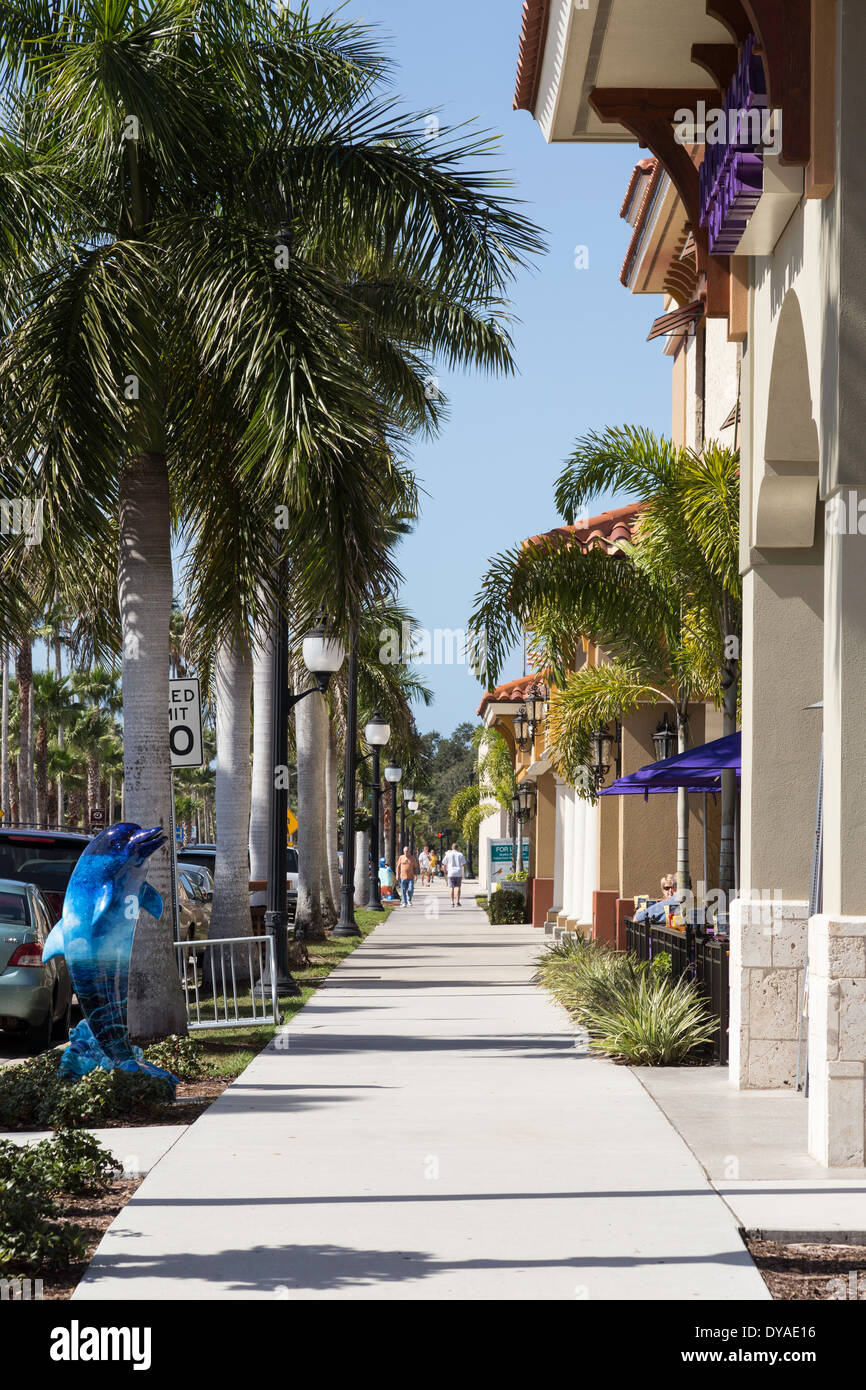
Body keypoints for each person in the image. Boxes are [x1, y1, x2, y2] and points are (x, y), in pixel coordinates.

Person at [442, 842, 466, 907]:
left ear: (452, 848)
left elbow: (444, 864)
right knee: (458, 887)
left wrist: (445, 871)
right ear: (457, 848)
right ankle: (457, 901)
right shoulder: (460, 854)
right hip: (458, 872)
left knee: (451, 888)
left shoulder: (448, 854)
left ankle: (452, 902)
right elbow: (464, 863)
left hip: (451, 873)